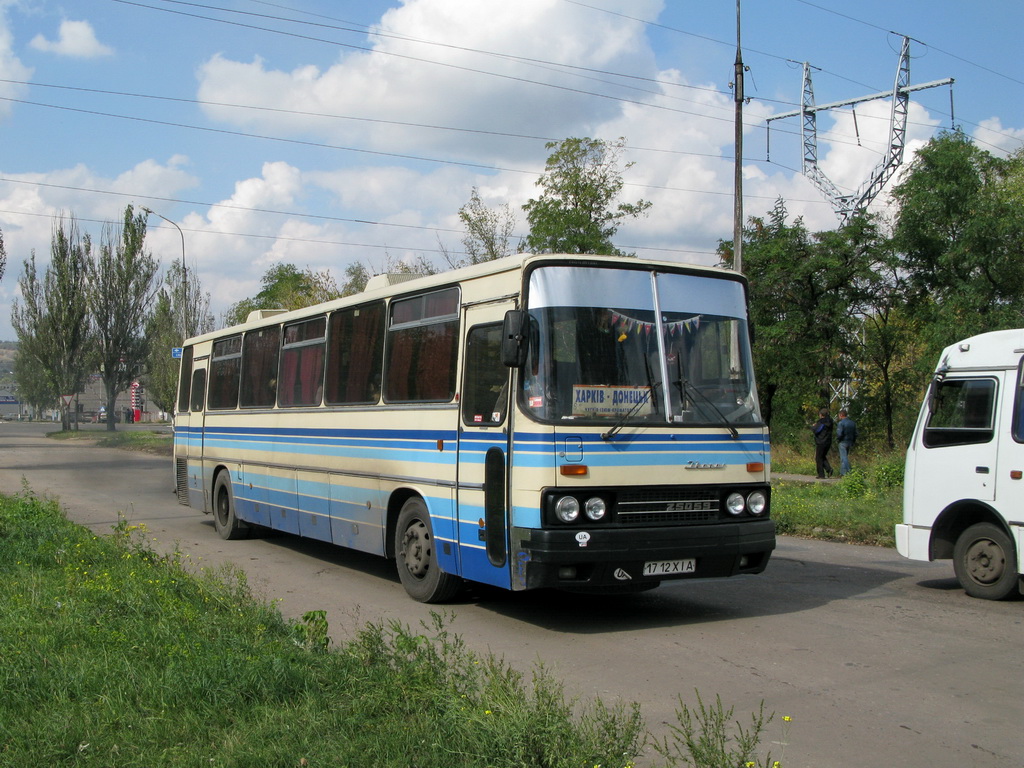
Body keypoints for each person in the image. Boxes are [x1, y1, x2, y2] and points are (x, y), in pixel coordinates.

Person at [811, 407, 834, 479]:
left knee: (818, 458)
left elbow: (816, 430)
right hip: (828, 441)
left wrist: (813, 426)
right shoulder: (830, 421)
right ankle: (829, 469)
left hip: (821, 442)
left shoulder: (821, 422)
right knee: (822, 456)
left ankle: (821, 474)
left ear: (821, 415)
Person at [836, 409, 857, 476]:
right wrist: (853, 441)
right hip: (850, 441)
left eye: (839, 415)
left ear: (841, 415)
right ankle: (842, 473)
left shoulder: (841, 423)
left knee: (844, 457)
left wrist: (838, 439)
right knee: (843, 457)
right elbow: (856, 433)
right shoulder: (852, 423)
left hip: (843, 441)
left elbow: (839, 434)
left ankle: (849, 471)